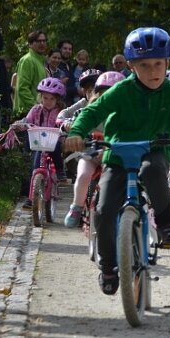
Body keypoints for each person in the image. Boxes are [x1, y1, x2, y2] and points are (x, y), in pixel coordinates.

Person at [65, 27, 170, 295]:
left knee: (152, 171)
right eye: (144, 65)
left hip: (155, 150)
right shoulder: (121, 90)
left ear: (167, 63)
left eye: (158, 64)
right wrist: (77, 132)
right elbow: (93, 111)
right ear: (131, 66)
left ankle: (167, 222)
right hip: (118, 155)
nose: (153, 71)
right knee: (103, 210)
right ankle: (109, 267)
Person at [59, 70, 127, 228]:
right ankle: (76, 207)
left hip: (114, 157)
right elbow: (78, 120)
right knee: (82, 175)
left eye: (114, 94)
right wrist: (68, 126)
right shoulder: (91, 110)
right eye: (105, 94)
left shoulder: (128, 114)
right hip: (91, 154)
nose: (110, 98)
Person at [19, 77, 67, 209]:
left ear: (57, 99)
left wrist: (67, 126)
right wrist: (21, 124)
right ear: (41, 97)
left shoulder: (60, 112)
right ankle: (31, 197)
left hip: (54, 141)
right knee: (34, 167)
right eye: (45, 98)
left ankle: (59, 170)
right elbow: (27, 120)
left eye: (52, 99)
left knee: (57, 148)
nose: (48, 101)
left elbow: (65, 122)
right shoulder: (36, 110)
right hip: (38, 142)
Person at [13, 30, 48, 118]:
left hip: (36, 110)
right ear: (30, 44)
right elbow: (23, 88)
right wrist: (36, 106)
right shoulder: (27, 60)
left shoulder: (40, 60)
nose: (42, 43)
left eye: (44, 41)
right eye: (38, 41)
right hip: (27, 112)